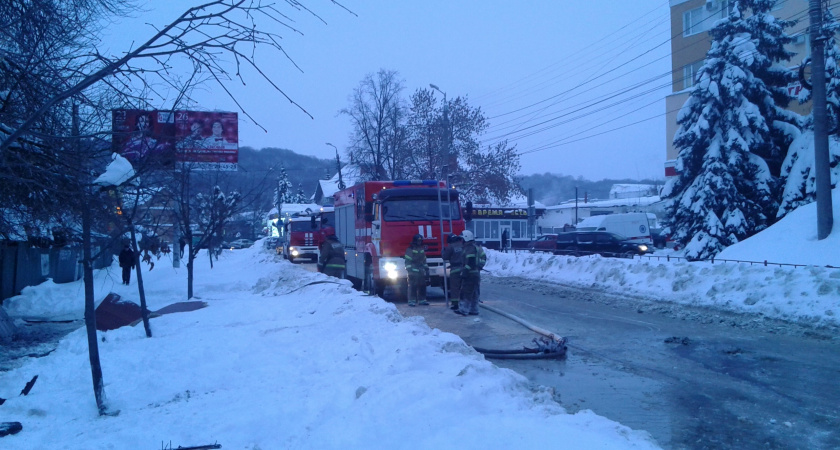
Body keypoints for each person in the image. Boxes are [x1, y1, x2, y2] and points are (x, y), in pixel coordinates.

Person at [455, 230, 486, 316]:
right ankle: (474, 309)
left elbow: (470, 262)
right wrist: (480, 266)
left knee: (466, 292)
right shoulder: (474, 247)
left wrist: (465, 272)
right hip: (475, 274)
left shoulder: (469, 248)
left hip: (470, 274)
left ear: (466, 238)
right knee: (474, 292)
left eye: (462, 239)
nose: (461, 241)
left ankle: (464, 310)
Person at [404, 234, 428, 307]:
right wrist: (410, 271)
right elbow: (407, 261)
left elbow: (424, 260)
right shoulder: (410, 249)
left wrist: (426, 269)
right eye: (418, 241)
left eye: (420, 241)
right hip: (413, 271)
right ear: (415, 241)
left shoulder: (421, 249)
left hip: (420, 270)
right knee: (412, 286)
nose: (419, 242)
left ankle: (422, 300)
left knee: (422, 285)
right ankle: (411, 301)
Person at [442, 234, 465, 311]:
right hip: (464, 268)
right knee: (464, 286)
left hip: (455, 269)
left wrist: (443, 251)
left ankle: (455, 304)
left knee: (455, 287)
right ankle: (465, 302)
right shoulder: (462, 245)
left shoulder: (451, 247)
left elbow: (445, 257)